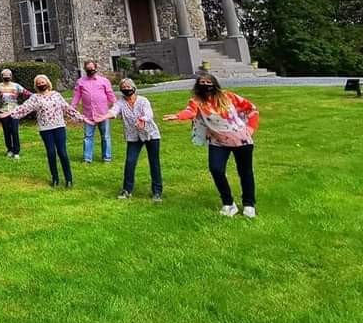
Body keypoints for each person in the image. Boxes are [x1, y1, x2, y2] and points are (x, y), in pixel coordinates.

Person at [163, 75, 260, 217]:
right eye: (202, 82)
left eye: (208, 82)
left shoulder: (228, 96)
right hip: (217, 141)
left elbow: (251, 108)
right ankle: (228, 203)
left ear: (215, 84)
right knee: (216, 169)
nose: (205, 85)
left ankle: (249, 204)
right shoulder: (197, 101)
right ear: (197, 85)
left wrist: (251, 128)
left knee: (245, 172)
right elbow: (190, 111)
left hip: (241, 140)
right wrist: (179, 116)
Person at [0, 74, 90, 187]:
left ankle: (68, 179)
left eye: (43, 82)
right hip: (45, 129)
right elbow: (24, 108)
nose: (41, 84)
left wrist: (82, 118)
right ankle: (55, 178)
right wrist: (9, 113)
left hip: (59, 127)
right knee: (51, 153)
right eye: (38, 83)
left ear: (47, 83)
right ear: (36, 86)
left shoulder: (56, 95)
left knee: (62, 152)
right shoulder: (35, 98)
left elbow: (67, 108)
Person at [92, 78, 162, 201]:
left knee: (154, 163)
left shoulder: (143, 101)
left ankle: (157, 192)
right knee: (130, 162)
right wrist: (103, 117)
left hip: (150, 134)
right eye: (123, 87)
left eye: (128, 86)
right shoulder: (121, 102)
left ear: (134, 88)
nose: (126, 89)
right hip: (133, 136)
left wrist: (143, 119)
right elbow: (113, 112)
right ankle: (127, 190)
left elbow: (149, 114)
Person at [72, 59, 116, 163]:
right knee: (88, 137)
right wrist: (72, 108)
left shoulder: (104, 81)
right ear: (85, 69)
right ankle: (87, 159)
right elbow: (76, 96)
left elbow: (110, 95)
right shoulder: (80, 82)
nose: (90, 70)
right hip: (88, 115)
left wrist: (115, 107)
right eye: (88, 69)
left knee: (105, 136)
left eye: (92, 68)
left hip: (103, 114)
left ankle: (107, 158)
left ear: (96, 68)